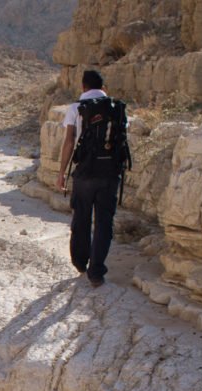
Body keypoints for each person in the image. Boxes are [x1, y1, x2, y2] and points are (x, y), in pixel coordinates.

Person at [57, 70, 120, 288]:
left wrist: (62, 172)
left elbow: (69, 141)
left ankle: (80, 262)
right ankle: (96, 273)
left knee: (81, 218)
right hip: (110, 173)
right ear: (104, 88)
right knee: (104, 222)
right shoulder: (116, 108)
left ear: (83, 87)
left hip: (84, 172)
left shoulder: (76, 108)